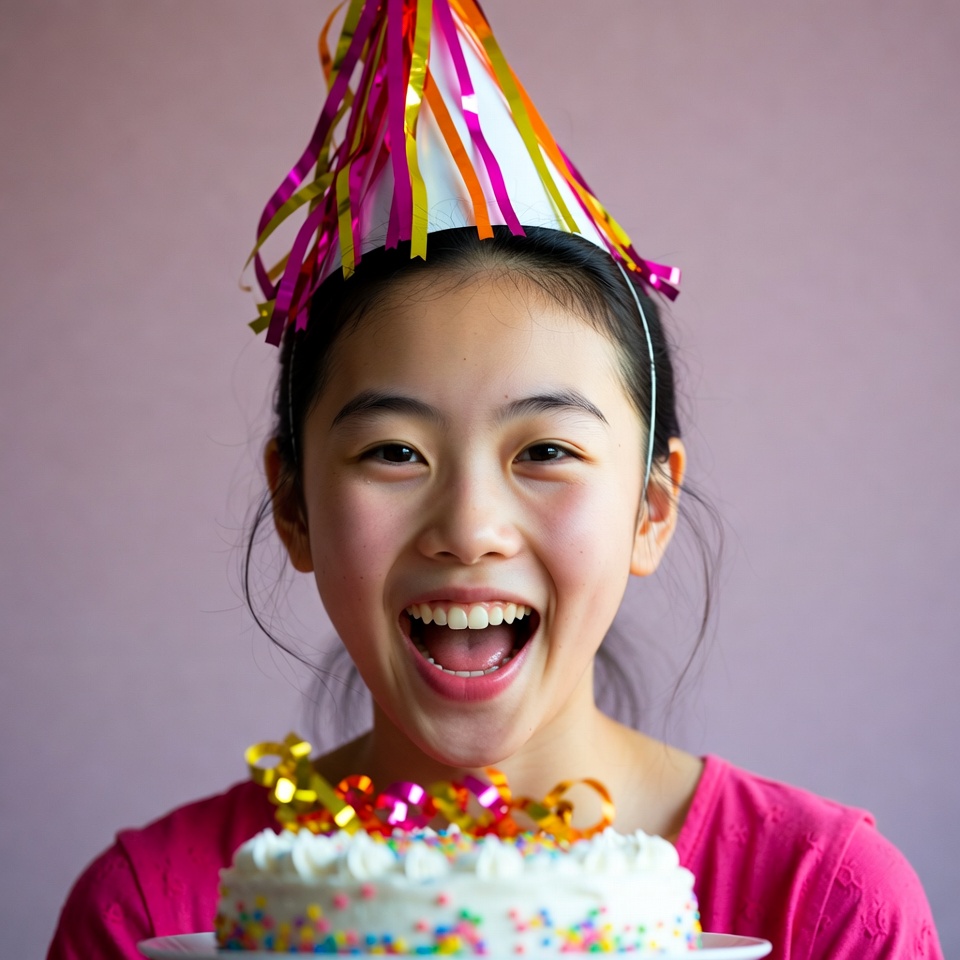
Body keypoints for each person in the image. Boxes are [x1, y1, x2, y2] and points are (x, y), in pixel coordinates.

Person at [48, 2, 942, 959]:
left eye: (545, 451)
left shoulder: (823, 901)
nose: (470, 527)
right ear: (296, 504)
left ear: (651, 506)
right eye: (394, 452)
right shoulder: (152, 911)